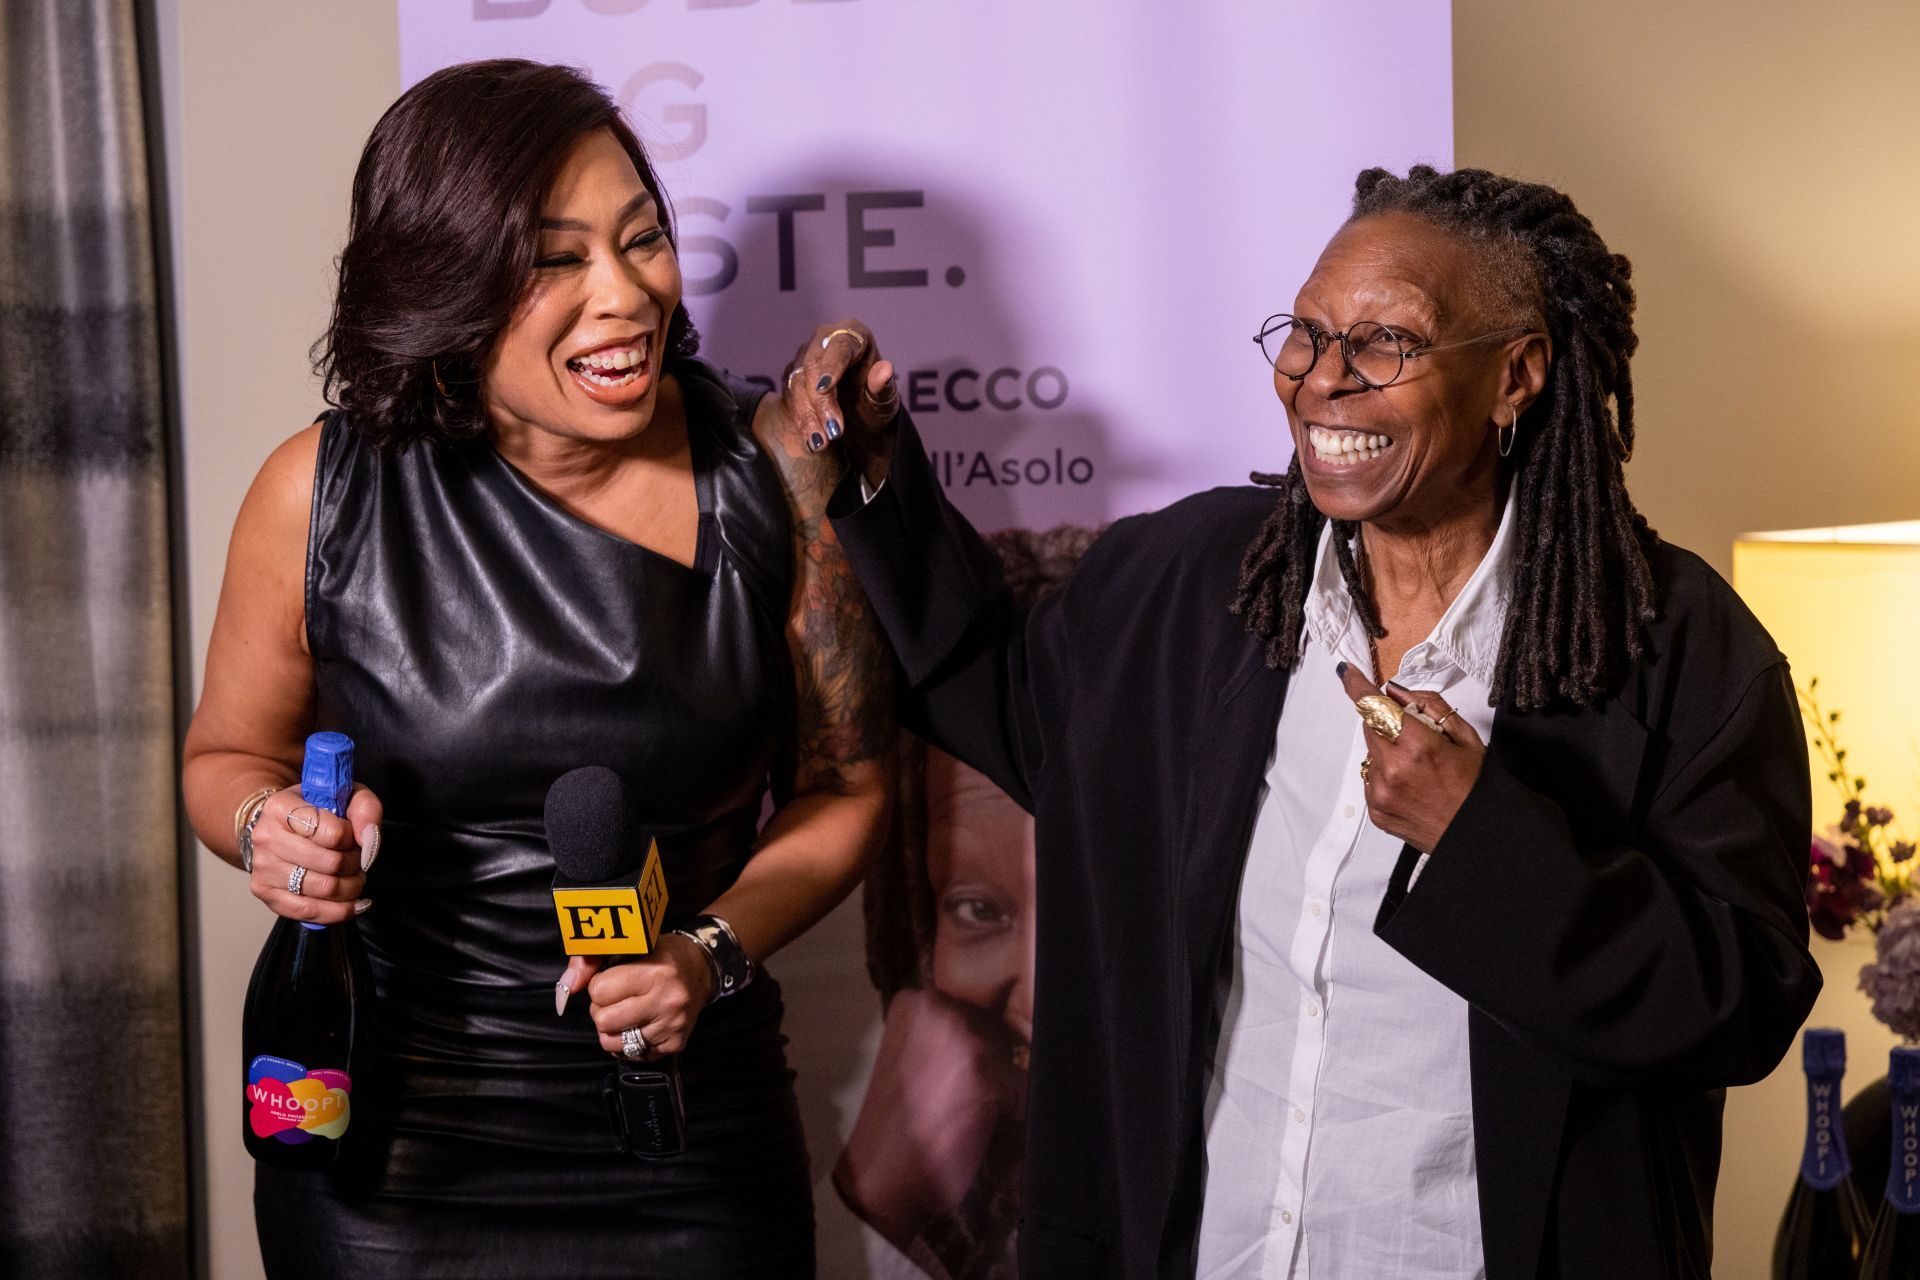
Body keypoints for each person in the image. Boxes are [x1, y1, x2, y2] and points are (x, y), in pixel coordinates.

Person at [801, 166, 1823, 1278]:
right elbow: (1007, 697)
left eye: (1383, 343)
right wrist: (877, 469)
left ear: (1516, 374)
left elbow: (1740, 1004)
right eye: (1306, 333)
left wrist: (1483, 839)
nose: (1322, 381)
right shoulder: (1197, 583)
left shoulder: (1671, 648)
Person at [180, 60, 893, 1279]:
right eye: (554, 258)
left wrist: (706, 954)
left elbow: (850, 788)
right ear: (445, 279)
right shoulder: (319, 491)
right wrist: (268, 828)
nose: (624, 296)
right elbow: (221, 758)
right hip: (397, 1149)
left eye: (643, 238)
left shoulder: (773, 479)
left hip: (690, 1135)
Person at [835, 525, 1099, 1280]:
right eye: (978, 911)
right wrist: (888, 1206)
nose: (1042, 990)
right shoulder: (873, 1147)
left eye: (1088, 900)